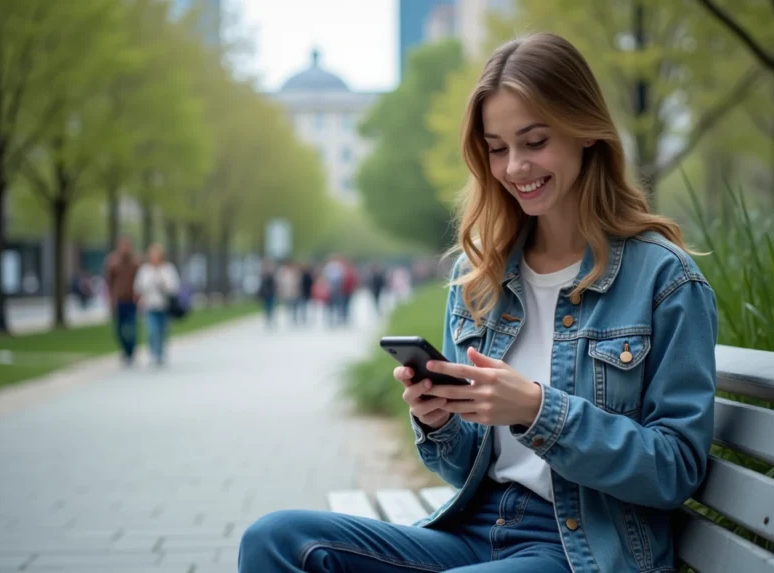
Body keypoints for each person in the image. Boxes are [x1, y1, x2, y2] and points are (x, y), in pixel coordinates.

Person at [238, 32, 718, 573]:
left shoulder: (665, 279)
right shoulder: (478, 277)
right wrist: (439, 420)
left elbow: (676, 470)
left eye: (535, 142)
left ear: (585, 132)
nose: (515, 167)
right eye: (497, 148)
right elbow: (467, 464)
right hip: (476, 530)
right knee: (274, 540)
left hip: (582, 550)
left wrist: (539, 411)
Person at [134, 244, 180, 367]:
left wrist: (163, 285)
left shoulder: (168, 269)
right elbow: (138, 286)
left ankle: (160, 353)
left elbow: (174, 287)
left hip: (164, 306)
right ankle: (154, 354)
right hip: (150, 305)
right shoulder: (145, 270)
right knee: (152, 331)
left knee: (163, 331)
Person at [104, 237, 141, 366]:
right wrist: (110, 298)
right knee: (118, 329)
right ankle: (125, 350)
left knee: (131, 328)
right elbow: (108, 282)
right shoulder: (112, 262)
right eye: (123, 245)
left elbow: (141, 280)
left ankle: (131, 352)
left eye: (127, 245)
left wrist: (139, 297)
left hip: (132, 300)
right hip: (119, 300)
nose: (125, 248)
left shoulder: (136, 262)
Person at [257, 259, 278, 327]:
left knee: (271, 307)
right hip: (265, 294)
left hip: (271, 294)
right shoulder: (263, 275)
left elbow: (274, 285)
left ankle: (271, 318)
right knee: (266, 307)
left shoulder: (272, 275)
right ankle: (268, 319)